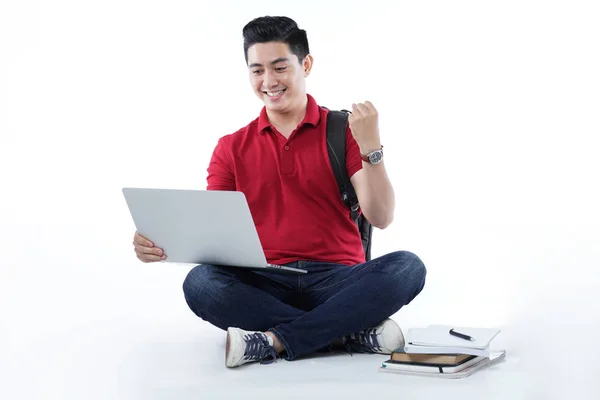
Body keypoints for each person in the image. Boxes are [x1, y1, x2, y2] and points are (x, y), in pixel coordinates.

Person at [132, 15, 426, 368]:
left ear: (306, 64)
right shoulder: (230, 147)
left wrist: (371, 149)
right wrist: (165, 242)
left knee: (407, 268)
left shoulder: (344, 131)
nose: (269, 81)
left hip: (338, 278)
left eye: (279, 67)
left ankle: (273, 339)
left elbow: (381, 217)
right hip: (263, 279)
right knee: (201, 284)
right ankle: (345, 331)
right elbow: (215, 235)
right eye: (257, 71)